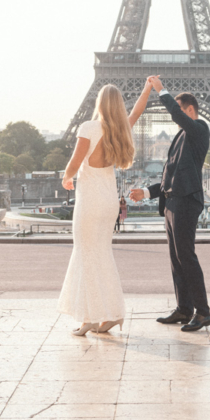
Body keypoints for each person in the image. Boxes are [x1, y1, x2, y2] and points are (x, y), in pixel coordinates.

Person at [58, 79, 155, 336]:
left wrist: (66, 177)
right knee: (102, 255)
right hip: (108, 202)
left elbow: (75, 161)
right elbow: (136, 112)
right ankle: (111, 314)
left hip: (89, 201)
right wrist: (146, 88)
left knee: (84, 254)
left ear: (99, 103)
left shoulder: (89, 127)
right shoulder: (120, 129)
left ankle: (89, 317)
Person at [128, 76, 210, 332]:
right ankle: (184, 308)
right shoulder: (179, 138)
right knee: (177, 259)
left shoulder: (199, 130)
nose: (176, 116)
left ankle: (203, 312)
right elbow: (171, 174)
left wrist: (161, 90)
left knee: (186, 256)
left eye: (179, 110)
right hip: (173, 202)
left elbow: (176, 116)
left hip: (187, 201)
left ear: (189, 110)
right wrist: (147, 191)